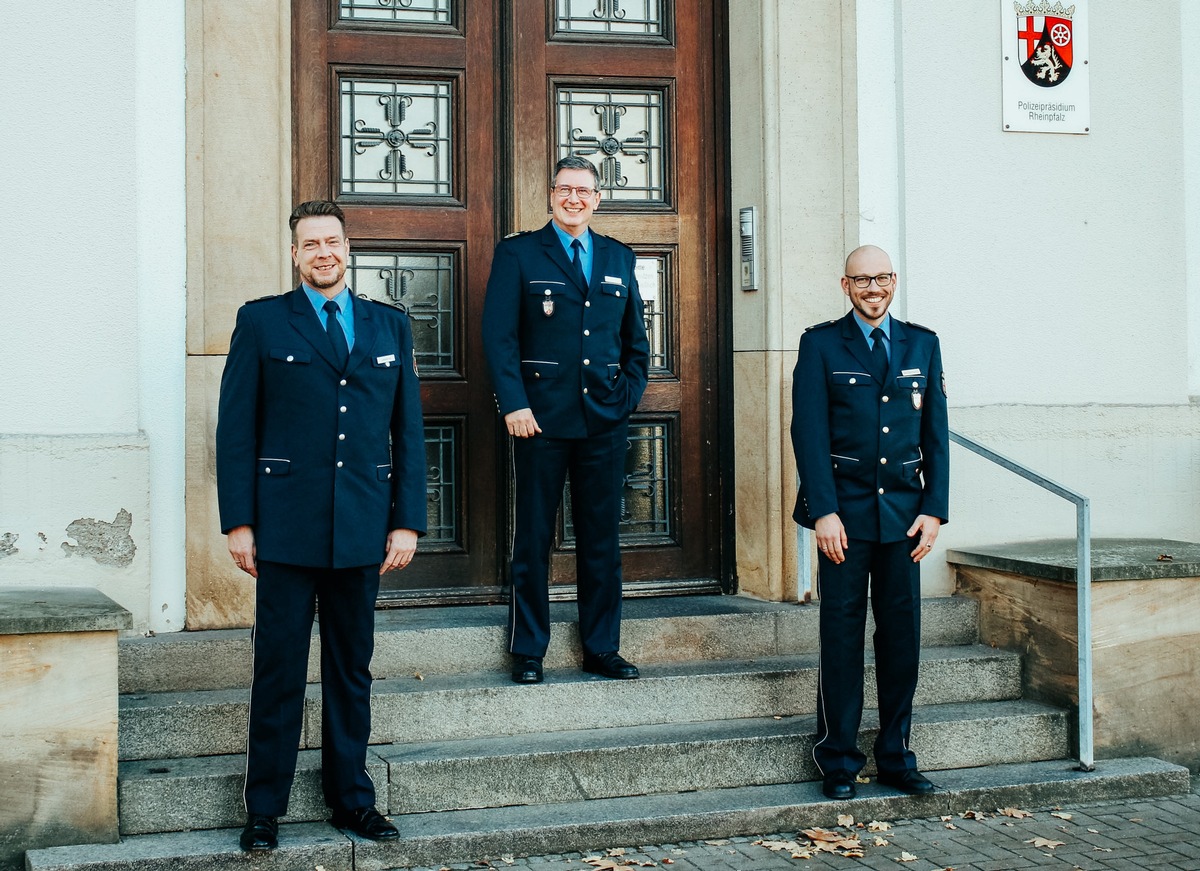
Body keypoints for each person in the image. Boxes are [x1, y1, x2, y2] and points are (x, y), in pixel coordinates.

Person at [215, 200, 426, 851]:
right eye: (311, 244)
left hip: (363, 527)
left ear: (347, 246)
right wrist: (239, 522)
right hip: (283, 527)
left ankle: (351, 799)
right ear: (295, 254)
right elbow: (235, 430)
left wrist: (406, 523)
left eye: (332, 240)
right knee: (278, 670)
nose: (323, 252)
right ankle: (264, 809)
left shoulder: (389, 326)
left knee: (350, 670)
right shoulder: (261, 321)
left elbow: (408, 431)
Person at [482, 155, 650, 685]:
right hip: (539, 420)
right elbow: (499, 337)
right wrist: (513, 403)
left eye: (583, 191)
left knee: (601, 540)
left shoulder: (619, 258)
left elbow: (635, 344)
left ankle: (602, 648)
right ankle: (529, 649)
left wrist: (625, 397)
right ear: (551, 196)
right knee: (532, 536)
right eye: (564, 189)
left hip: (603, 419)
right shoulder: (519, 254)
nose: (573, 198)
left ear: (598, 199)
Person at [790, 244, 949, 801]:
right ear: (845, 285)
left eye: (881, 278)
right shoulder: (820, 344)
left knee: (901, 640)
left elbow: (935, 436)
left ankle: (896, 755)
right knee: (841, 637)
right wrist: (823, 512)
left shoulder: (922, 344)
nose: (872, 288)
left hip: (904, 520)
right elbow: (807, 435)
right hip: (844, 521)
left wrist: (934, 510)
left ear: (894, 281)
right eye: (862, 280)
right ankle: (837, 758)